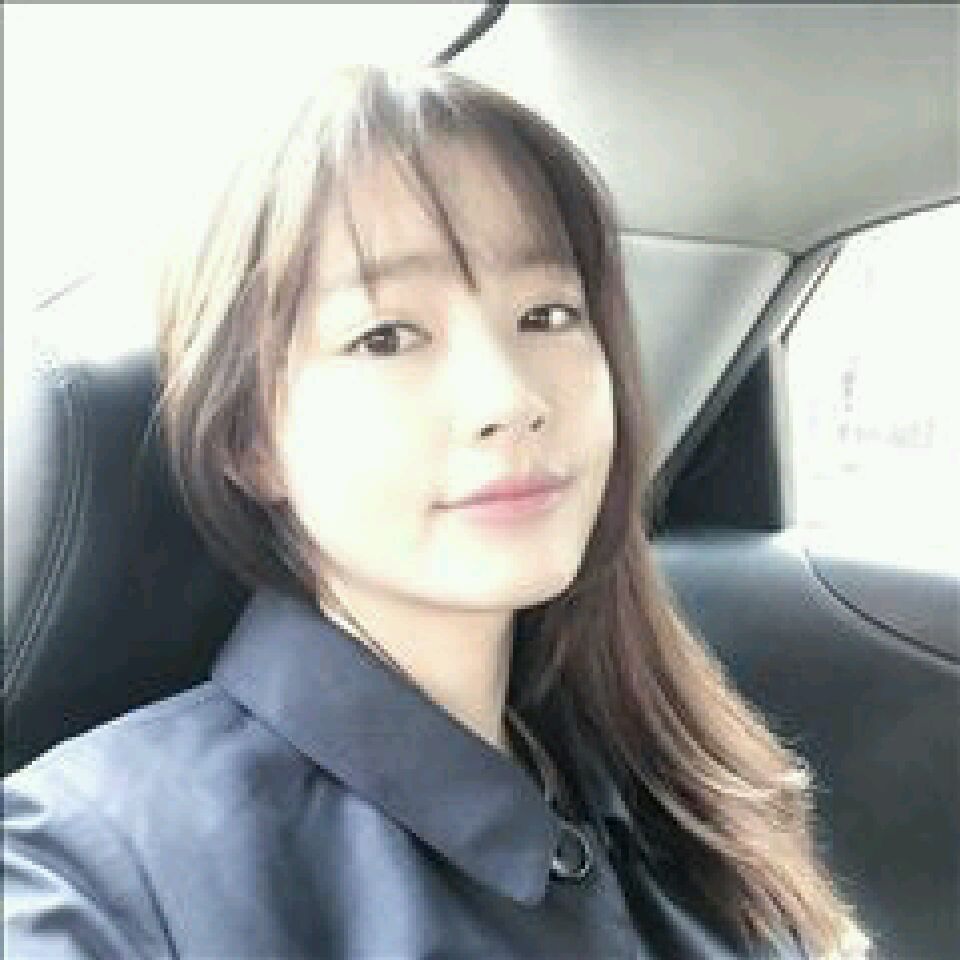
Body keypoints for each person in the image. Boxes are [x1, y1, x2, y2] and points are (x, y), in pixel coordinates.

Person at [3, 65, 872, 959]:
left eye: (549, 315)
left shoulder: (678, 789)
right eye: (385, 336)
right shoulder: (87, 868)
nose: (511, 398)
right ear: (250, 440)